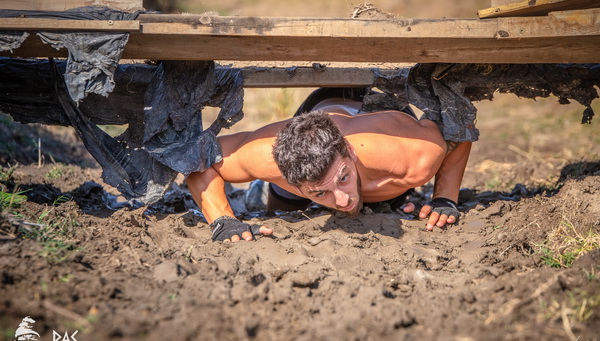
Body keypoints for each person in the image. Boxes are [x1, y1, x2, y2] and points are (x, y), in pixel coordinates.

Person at [187, 88, 472, 242]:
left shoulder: (414, 155)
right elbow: (196, 158)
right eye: (320, 192)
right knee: (279, 208)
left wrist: (445, 198)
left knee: (392, 199)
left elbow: (459, 131)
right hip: (314, 117)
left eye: (342, 178)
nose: (342, 200)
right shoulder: (264, 157)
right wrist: (223, 220)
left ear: (349, 151)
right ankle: (265, 189)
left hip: (380, 114)